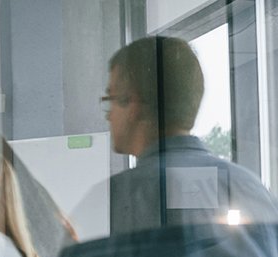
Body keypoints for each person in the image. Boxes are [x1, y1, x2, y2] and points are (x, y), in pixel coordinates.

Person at [103, 36, 278, 233]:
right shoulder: (252, 191)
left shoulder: (115, 199)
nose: (108, 115)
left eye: (111, 99)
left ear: (132, 104)